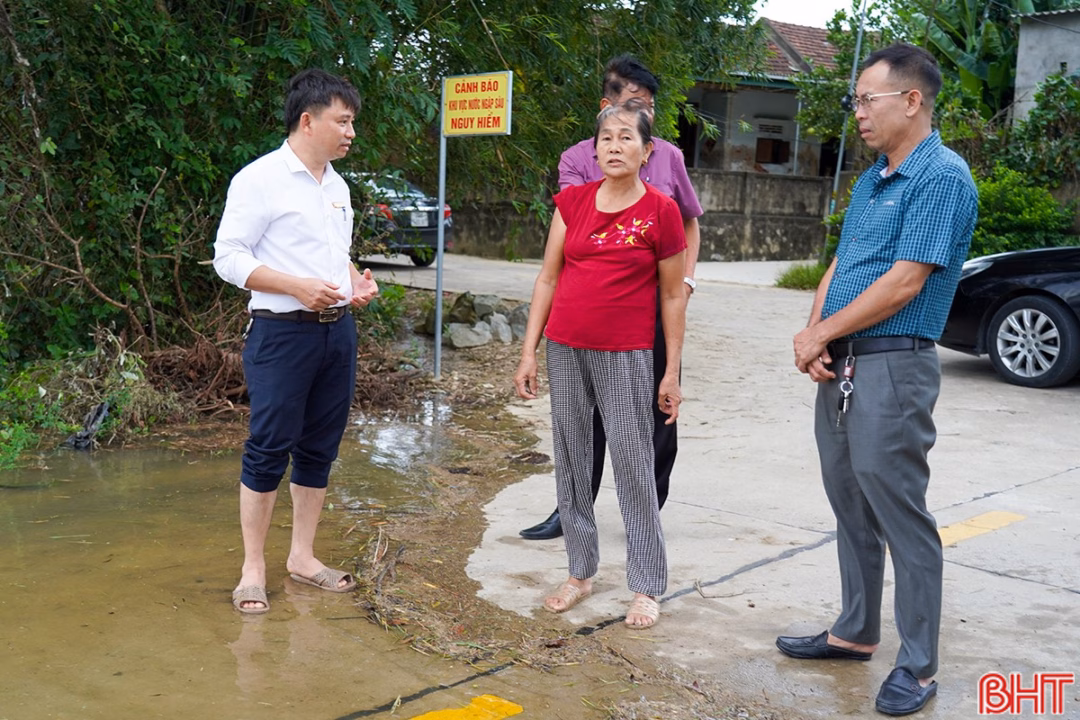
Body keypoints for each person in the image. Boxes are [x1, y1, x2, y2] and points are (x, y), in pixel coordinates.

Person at [776, 44, 977, 716]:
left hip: (895, 361)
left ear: (911, 101)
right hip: (842, 360)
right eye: (856, 100)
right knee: (850, 503)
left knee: (900, 513)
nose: (857, 112)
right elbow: (843, 262)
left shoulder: (941, 178)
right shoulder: (872, 180)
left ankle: (917, 668)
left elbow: (905, 280)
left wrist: (822, 334)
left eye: (868, 99)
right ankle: (856, 632)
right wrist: (815, 333)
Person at [513, 100, 687, 629]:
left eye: (626, 138)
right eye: (606, 138)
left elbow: (673, 296)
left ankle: (647, 585)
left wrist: (671, 370)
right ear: (595, 148)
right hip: (566, 348)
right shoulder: (572, 203)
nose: (615, 145)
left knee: (634, 466)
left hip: (627, 354)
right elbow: (547, 277)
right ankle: (580, 571)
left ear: (647, 151)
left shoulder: (661, 211)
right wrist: (528, 350)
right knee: (570, 457)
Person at [213, 68, 379, 614]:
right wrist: (294, 287)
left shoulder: (338, 185)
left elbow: (333, 254)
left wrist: (353, 279)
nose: (351, 132)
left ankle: (303, 558)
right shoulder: (259, 179)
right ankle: (252, 568)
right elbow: (229, 257)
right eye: (344, 121)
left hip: (337, 334)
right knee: (267, 450)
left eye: (352, 122)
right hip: (282, 334)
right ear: (308, 121)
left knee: (319, 449)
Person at [519, 54, 703, 541]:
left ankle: (648, 507)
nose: (643, 118)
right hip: (594, 317)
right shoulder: (578, 160)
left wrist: (685, 281)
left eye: (649, 109)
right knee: (584, 421)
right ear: (606, 108)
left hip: (653, 308)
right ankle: (572, 510)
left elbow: (687, 220)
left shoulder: (668, 155)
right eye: (632, 106)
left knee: (658, 412)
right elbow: (571, 237)